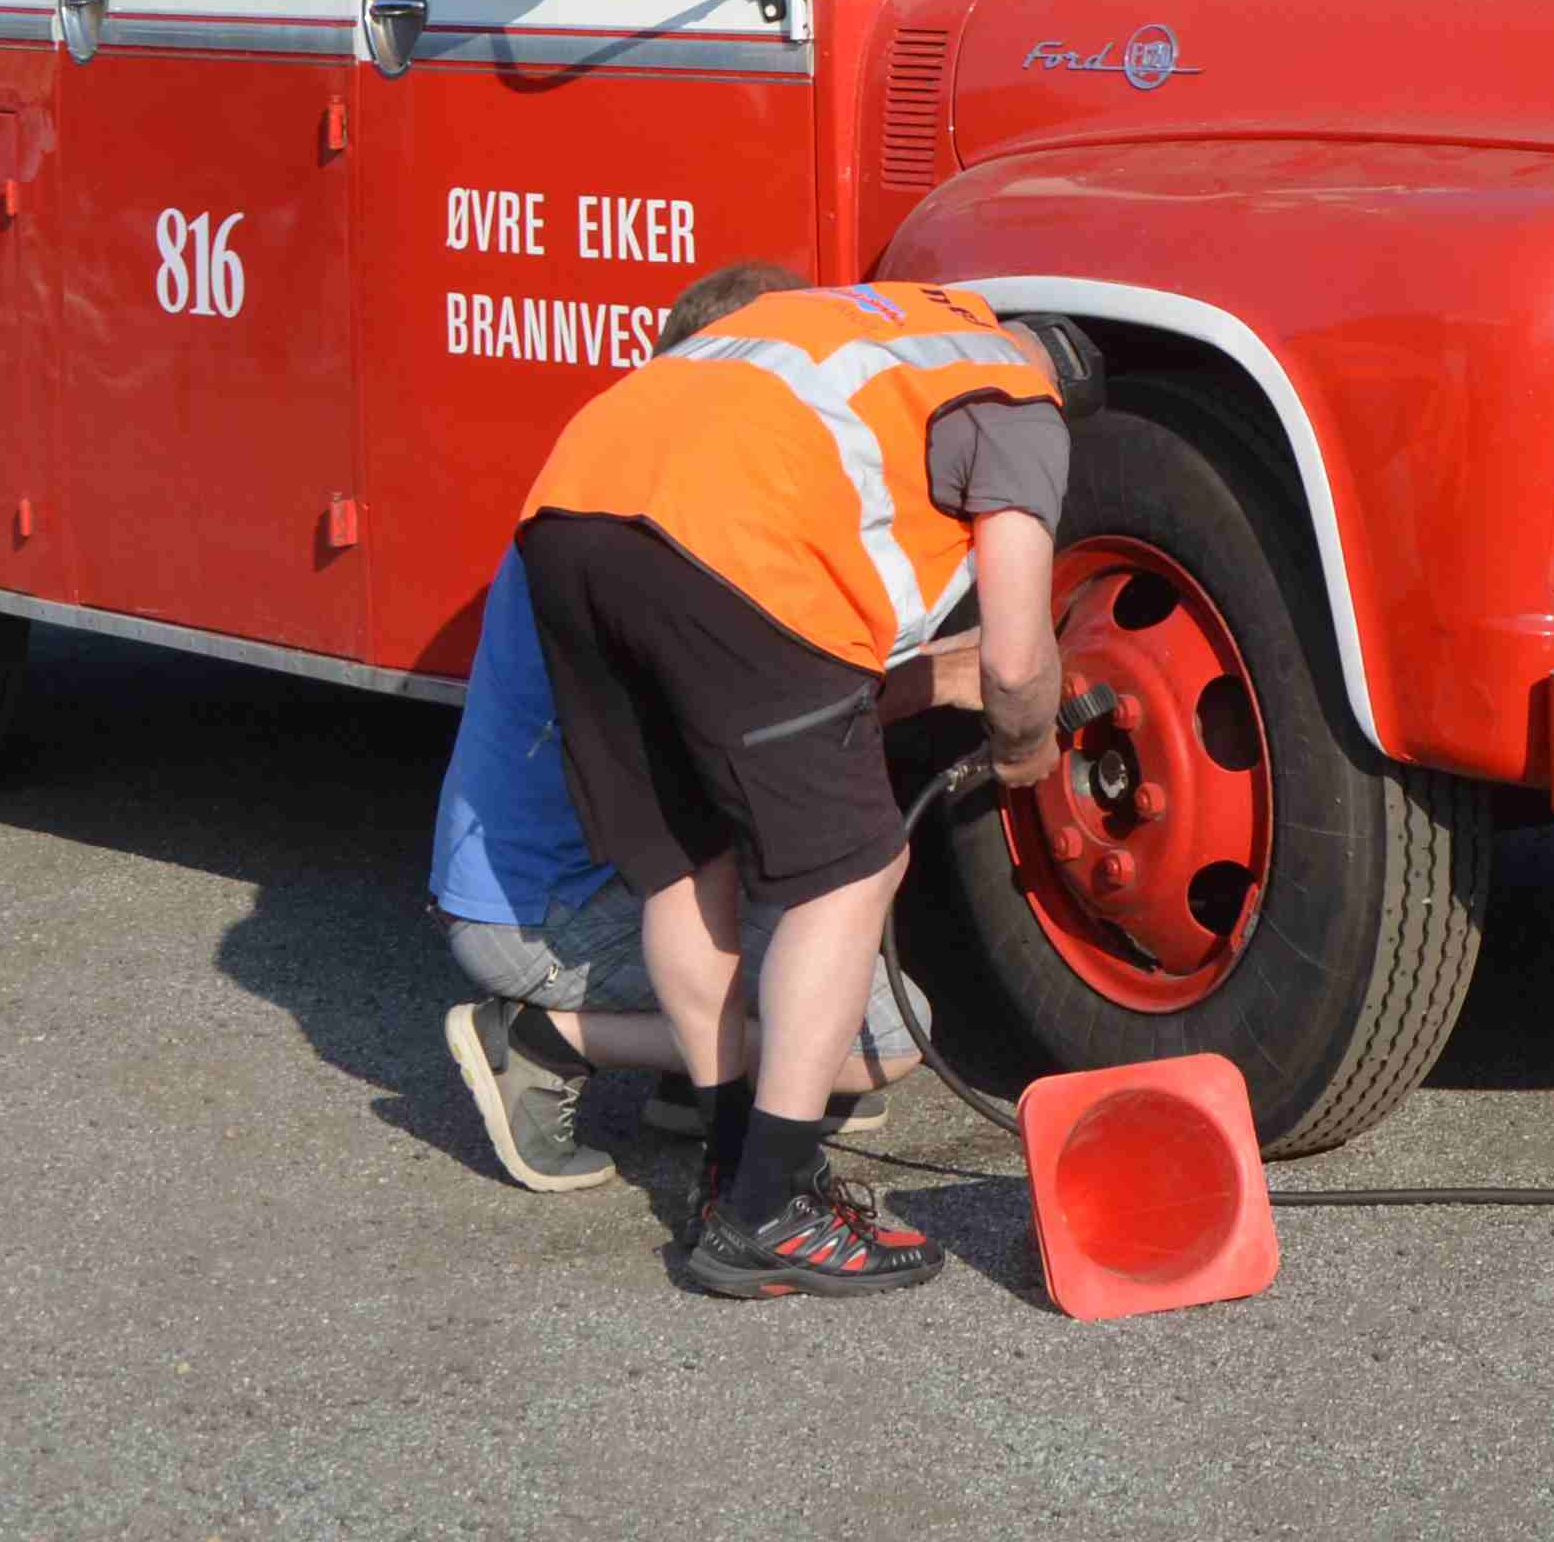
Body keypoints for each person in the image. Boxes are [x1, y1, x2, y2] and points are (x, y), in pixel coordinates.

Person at [512, 261, 1087, 1299]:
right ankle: (768, 1210)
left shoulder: (878, 323)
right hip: (733, 542)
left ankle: (735, 1168)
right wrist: (1022, 748)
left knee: (690, 860)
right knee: (855, 868)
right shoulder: (1018, 394)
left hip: (569, 506)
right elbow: (1012, 660)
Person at [431, 537, 958, 1193]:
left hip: (530, 881)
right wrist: (940, 677)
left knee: (803, 960)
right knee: (883, 1037)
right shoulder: (680, 556)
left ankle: (690, 1082)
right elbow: (778, 737)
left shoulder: (592, 517)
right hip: (544, 922)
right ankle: (541, 1042)